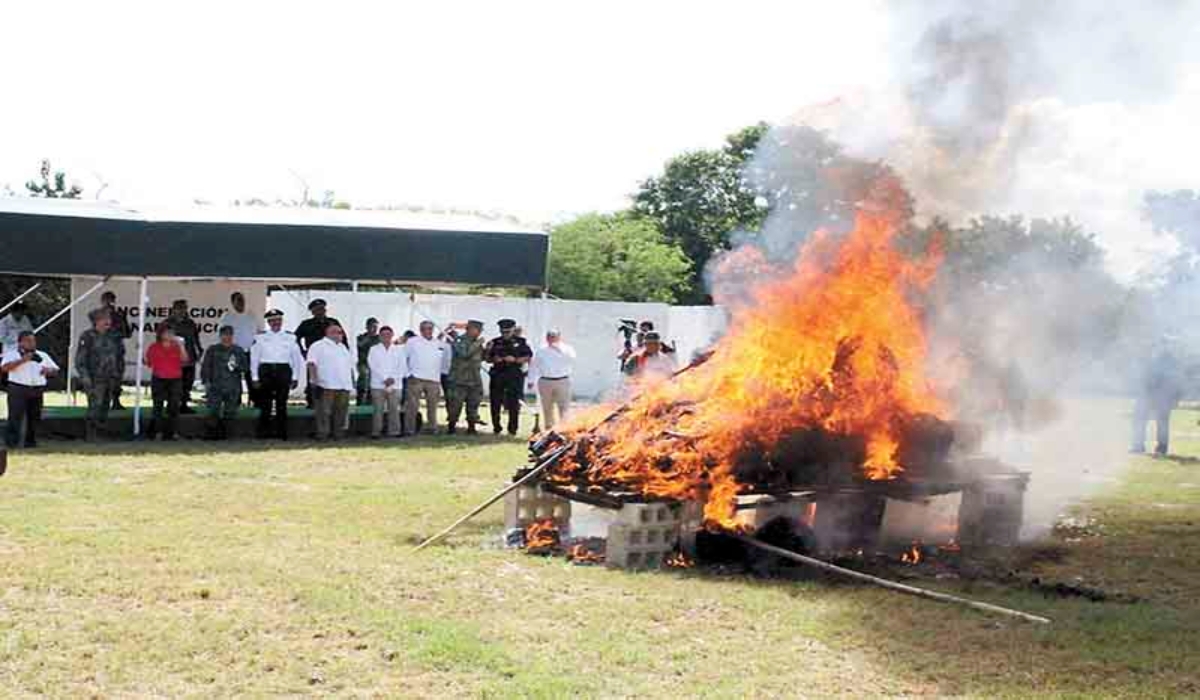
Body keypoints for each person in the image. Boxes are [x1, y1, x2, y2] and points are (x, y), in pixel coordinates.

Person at [251, 309, 304, 440]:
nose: (276, 323)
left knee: (282, 403)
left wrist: (295, 377)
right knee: (265, 403)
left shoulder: (290, 337)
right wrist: (255, 377)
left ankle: (281, 432)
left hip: (283, 370)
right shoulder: (260, 337)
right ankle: (263, 433)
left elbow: (296, 359)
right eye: (272, 320)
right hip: (266, 370)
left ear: (281, 321)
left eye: (278, 320)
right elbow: (254, 358)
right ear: (268, 322)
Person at [1, 331, 58, 448]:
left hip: (37, 388)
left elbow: (55, 370)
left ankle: (30, 442)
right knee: (15, 416)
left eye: (33, 341)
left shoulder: (42, 355)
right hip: (18, 388)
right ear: (20, 342)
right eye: (28, 341)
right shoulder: (12, 354)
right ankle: (12, 442)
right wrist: (23, 360)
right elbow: (4, 368)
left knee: (34, 417)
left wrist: (48, 371)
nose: (32, 343)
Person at [75, 313, 125, 441]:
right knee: (95, 406)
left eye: (109, 319)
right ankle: (91, 435)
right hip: (94, 378)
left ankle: (101, 432)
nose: (108, 322)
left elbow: (119, 356)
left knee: (105, 406)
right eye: (104, 319)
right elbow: (80, 360)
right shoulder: (87, 336)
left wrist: (118, 374)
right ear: (96, 321)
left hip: (110, 377)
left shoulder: (113, 336)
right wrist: (85, 378)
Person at [1131, 343, 1184, 456]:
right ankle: (1138, 446)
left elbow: (1178, 380)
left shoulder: (1171, 361)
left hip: (1163, 396)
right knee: (1140, 419)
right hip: (1148, 394)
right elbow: (1144, 376)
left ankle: (1161, 448)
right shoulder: (1151, 358)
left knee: (1162, 423)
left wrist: (1175, 398)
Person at [306, 323, 356, 441]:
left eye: (341, 332)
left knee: (341, 412)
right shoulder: (318, 345)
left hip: (343, 385)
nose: (340, 335)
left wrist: (351, 382)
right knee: (324, 412)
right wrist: (314, 381)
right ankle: (323, 435)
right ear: (329, 333)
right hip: (326, 384)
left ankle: (338, 434)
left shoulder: (343, 347)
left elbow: (349, 366)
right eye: (337, 332)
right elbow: (311, 363)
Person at [201, 325, 249, 440]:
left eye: (229, 335)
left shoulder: (238, 350)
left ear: (232, 336)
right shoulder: (212, 349)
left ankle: (227, 435)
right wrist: (206, 381)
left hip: (233, 386)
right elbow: (206, 367)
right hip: (215, 386)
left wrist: (236, 366)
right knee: (213, 411)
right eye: (224, 335)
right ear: (220, 336)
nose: (226, 337)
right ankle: (211, 435)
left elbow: (245, 368)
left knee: (230, 412)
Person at [485, 318, 532, 436]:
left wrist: (515, 359)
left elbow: (528, 356)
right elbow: (487, 359)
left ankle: (512, 429)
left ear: (513, 330)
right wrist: (492, 357)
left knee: (513, 403)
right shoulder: (495, 342)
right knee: (495, 402)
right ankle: (496, 427)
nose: (505, 334)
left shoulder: (521, 342)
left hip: (514, 374)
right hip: (498, 374)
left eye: (507, 332)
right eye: (503, 332)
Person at [295, 299, 343, 408]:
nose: (320, 312)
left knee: (331, 379)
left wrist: (343, 354)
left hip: (331, 357)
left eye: (322, 309)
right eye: (317, 310)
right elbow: (295, 338)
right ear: (312, 312)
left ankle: (330, 402)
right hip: (314, 358)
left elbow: (343, 339)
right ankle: (312, 402)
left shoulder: (333, 322)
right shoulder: (306, 324)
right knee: (313, 380)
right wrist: (302, 351)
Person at [144, 323, 188, 441]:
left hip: (175, 379)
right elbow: (148, 362)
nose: (170, 335)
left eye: (172, 332)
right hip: (159, 379)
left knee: (174, 406)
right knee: (158, 406)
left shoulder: (178, 346)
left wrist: (182, 346)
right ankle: (158, 432)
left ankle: (174, 432)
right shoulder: (154, 347)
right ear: (161, 334)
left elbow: (185, 360)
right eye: (167, 332)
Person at [405, 320, 448, 435]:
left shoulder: (439, 343)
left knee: (433, 407)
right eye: (424, 328)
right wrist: (409, 374)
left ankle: (432, 428)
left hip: (433, 380)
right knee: (412, 406)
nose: (427, 330)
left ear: (433, 330)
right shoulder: (412, 341)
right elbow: (403, 358)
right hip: (416, 378)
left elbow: (444, 361)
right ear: (420, 330)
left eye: (430, 328)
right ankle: (410, 429)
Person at [218, 291, 260, 405]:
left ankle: (255, 400)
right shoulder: (227, 316)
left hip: (250, 351)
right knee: (233, 377)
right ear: (232, 302)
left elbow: (257, 332)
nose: (241, 302)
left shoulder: (251, 315)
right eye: (238, 300)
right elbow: (222, 334)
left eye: (242, 299)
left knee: (251, 377)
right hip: (233, 351)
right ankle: (235, 401)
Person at [93, 291, 133, 410]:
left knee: (116, 377)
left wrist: (123, 320)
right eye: (107, 301)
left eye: (111, 301)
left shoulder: (119, 315)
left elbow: (127, 334)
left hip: (117, 351)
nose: (109, 303)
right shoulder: (98, 316)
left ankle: (115, 401)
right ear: (102, 301)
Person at [529, 329, 576, 430]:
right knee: (547, 407)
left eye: (554, 336)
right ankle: (549, 428)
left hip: (562, 380)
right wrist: (531, 380)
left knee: (564, 406)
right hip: (545, 381)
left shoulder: (567, 349)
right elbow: (534, 366)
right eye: (549, 336)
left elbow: (571, 359)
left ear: (559, 337)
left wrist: (558, 350)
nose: (551, 338)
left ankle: (565, 428)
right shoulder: (541, 350)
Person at [445, 320, 486, 435]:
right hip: (459, 380)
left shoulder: (476, 342)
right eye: (478, 330)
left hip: (474, 379)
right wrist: (478, 343)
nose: (480, 333)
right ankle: (451, 427)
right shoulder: (459, 340)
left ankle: (471, 427)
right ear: (471, 329)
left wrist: (488, 349)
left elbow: (483, 358)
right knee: (455, 405)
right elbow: (464, 353)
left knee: (473, 404)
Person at [367, 325, 406, 438]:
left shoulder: (399, 349)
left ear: (392, 335)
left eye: (388, 334)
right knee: (378, 409)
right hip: (378, 384)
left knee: (394, 409)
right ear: (379, 336)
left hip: (396, 383)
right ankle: (376, 432)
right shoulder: (374, 349)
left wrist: (393, 378)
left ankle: (394, 431)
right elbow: (372, 365)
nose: (386, 337)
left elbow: (402, 366)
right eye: (383, 335)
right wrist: (384, 378)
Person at [164, 299, 202, 414]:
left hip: (189, 358)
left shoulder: (190, 323)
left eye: (184, 308)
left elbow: (195, 338)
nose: (182, 310)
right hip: (173, 360)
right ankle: (171, 406)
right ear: (173, 309)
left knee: (187, 384)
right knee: (173, 385)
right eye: (179, 308)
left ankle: (184, 405)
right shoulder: (167, 323)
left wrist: (199, 350)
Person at [356, 317, 381, 406]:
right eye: (372, 326)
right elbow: (361, 344)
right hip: (364, 364)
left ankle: (371, 403)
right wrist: (370, 335)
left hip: (376, 365)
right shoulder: (361, 337)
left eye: (376, 327)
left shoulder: (379, 338)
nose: (374, 329)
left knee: (374, 386)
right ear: (367, 327)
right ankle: (360, 403)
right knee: (363, 383)